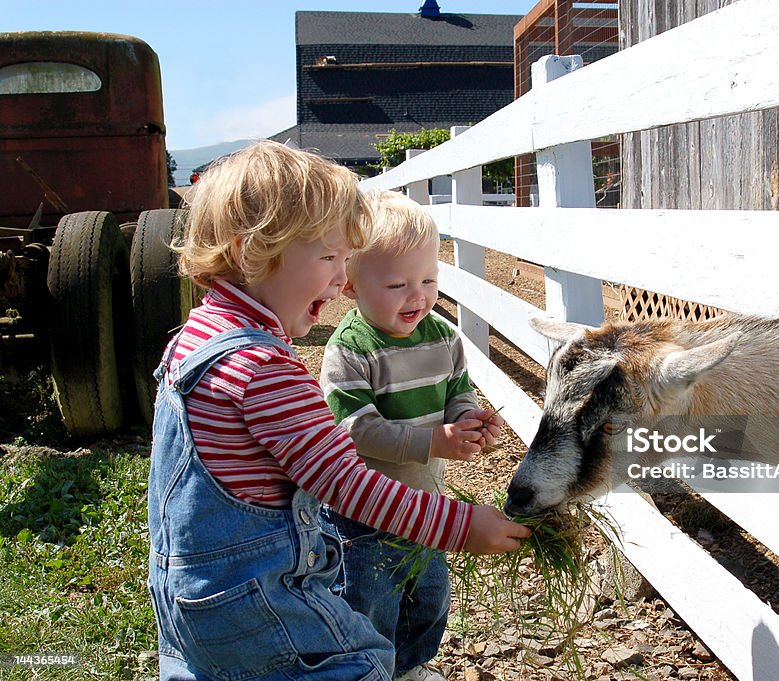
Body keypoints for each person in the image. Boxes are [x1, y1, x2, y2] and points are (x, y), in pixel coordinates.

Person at [146, 141, 529, 681]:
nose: (339, 279)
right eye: (328, 257)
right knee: (362, 663)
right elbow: (348, 484)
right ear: (250, 251)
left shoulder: (195, 340)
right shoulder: (262, 371)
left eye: (345, 259)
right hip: (252, 597)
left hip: (185, 592)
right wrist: (461, 524)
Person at [318, 190, 502, 681]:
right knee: (368, 602)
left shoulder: (442, 338)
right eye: (397, 283)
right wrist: (434, 442)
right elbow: (357, 431)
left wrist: (470, 421)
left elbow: (458, 392)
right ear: (350, 288)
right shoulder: (350, 351)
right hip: (363, 516)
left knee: (429, 597)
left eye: (428, 279)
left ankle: (409, 668)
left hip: (424, 503)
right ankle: (366, 670)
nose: (417, 295)